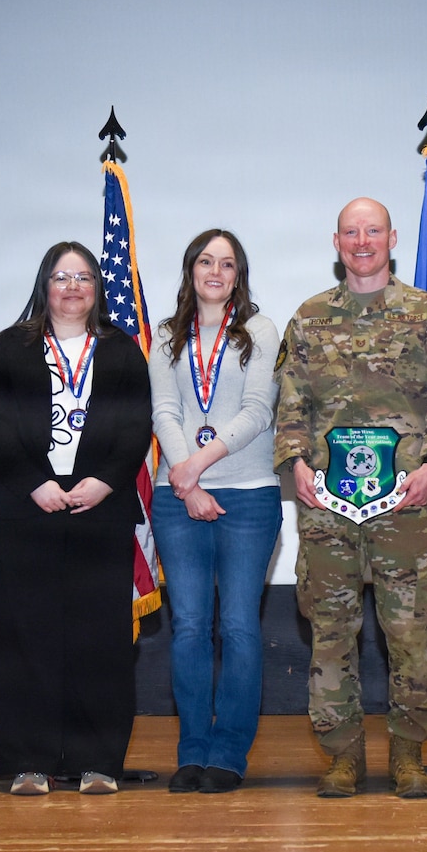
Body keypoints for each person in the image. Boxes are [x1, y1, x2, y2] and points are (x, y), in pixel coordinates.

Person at [273, 197, 427, 799]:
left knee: (409, 635)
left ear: (391, 239)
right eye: (352, 232)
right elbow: (290, 403)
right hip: (328, 504)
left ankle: (408, 756)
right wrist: (297, 463)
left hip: (405, 503)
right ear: (337, 241)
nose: (363, 241)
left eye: (373, 231)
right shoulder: (308, 318)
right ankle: (342, 757)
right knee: (331, 633)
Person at [0, 242, 153, 795]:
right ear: (44, 285)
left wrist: (104, 479)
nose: (72, 287)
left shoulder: (121, 349)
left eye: (83, 277)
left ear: (98, 288)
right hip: (25, 510)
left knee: (98, 641)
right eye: (61, 277)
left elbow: (136, 423)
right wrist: (35, 482)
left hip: (100, 509)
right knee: (25, 637)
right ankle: (30, 762)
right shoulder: (12, 346)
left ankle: (96, 761)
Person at [150, 229, 281, 794]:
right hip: (178, 499)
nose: (215, 271)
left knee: (238, 628)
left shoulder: (260, 330)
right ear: (191, 269)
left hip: (248, 495)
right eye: (206, 261)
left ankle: (228, 754)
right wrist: (186, 481)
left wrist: (193, 467)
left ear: (238, 275)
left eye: (227, 264)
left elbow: (256, 412)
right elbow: (164, 409)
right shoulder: (164, 335)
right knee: (189, 629)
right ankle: (192, 751)